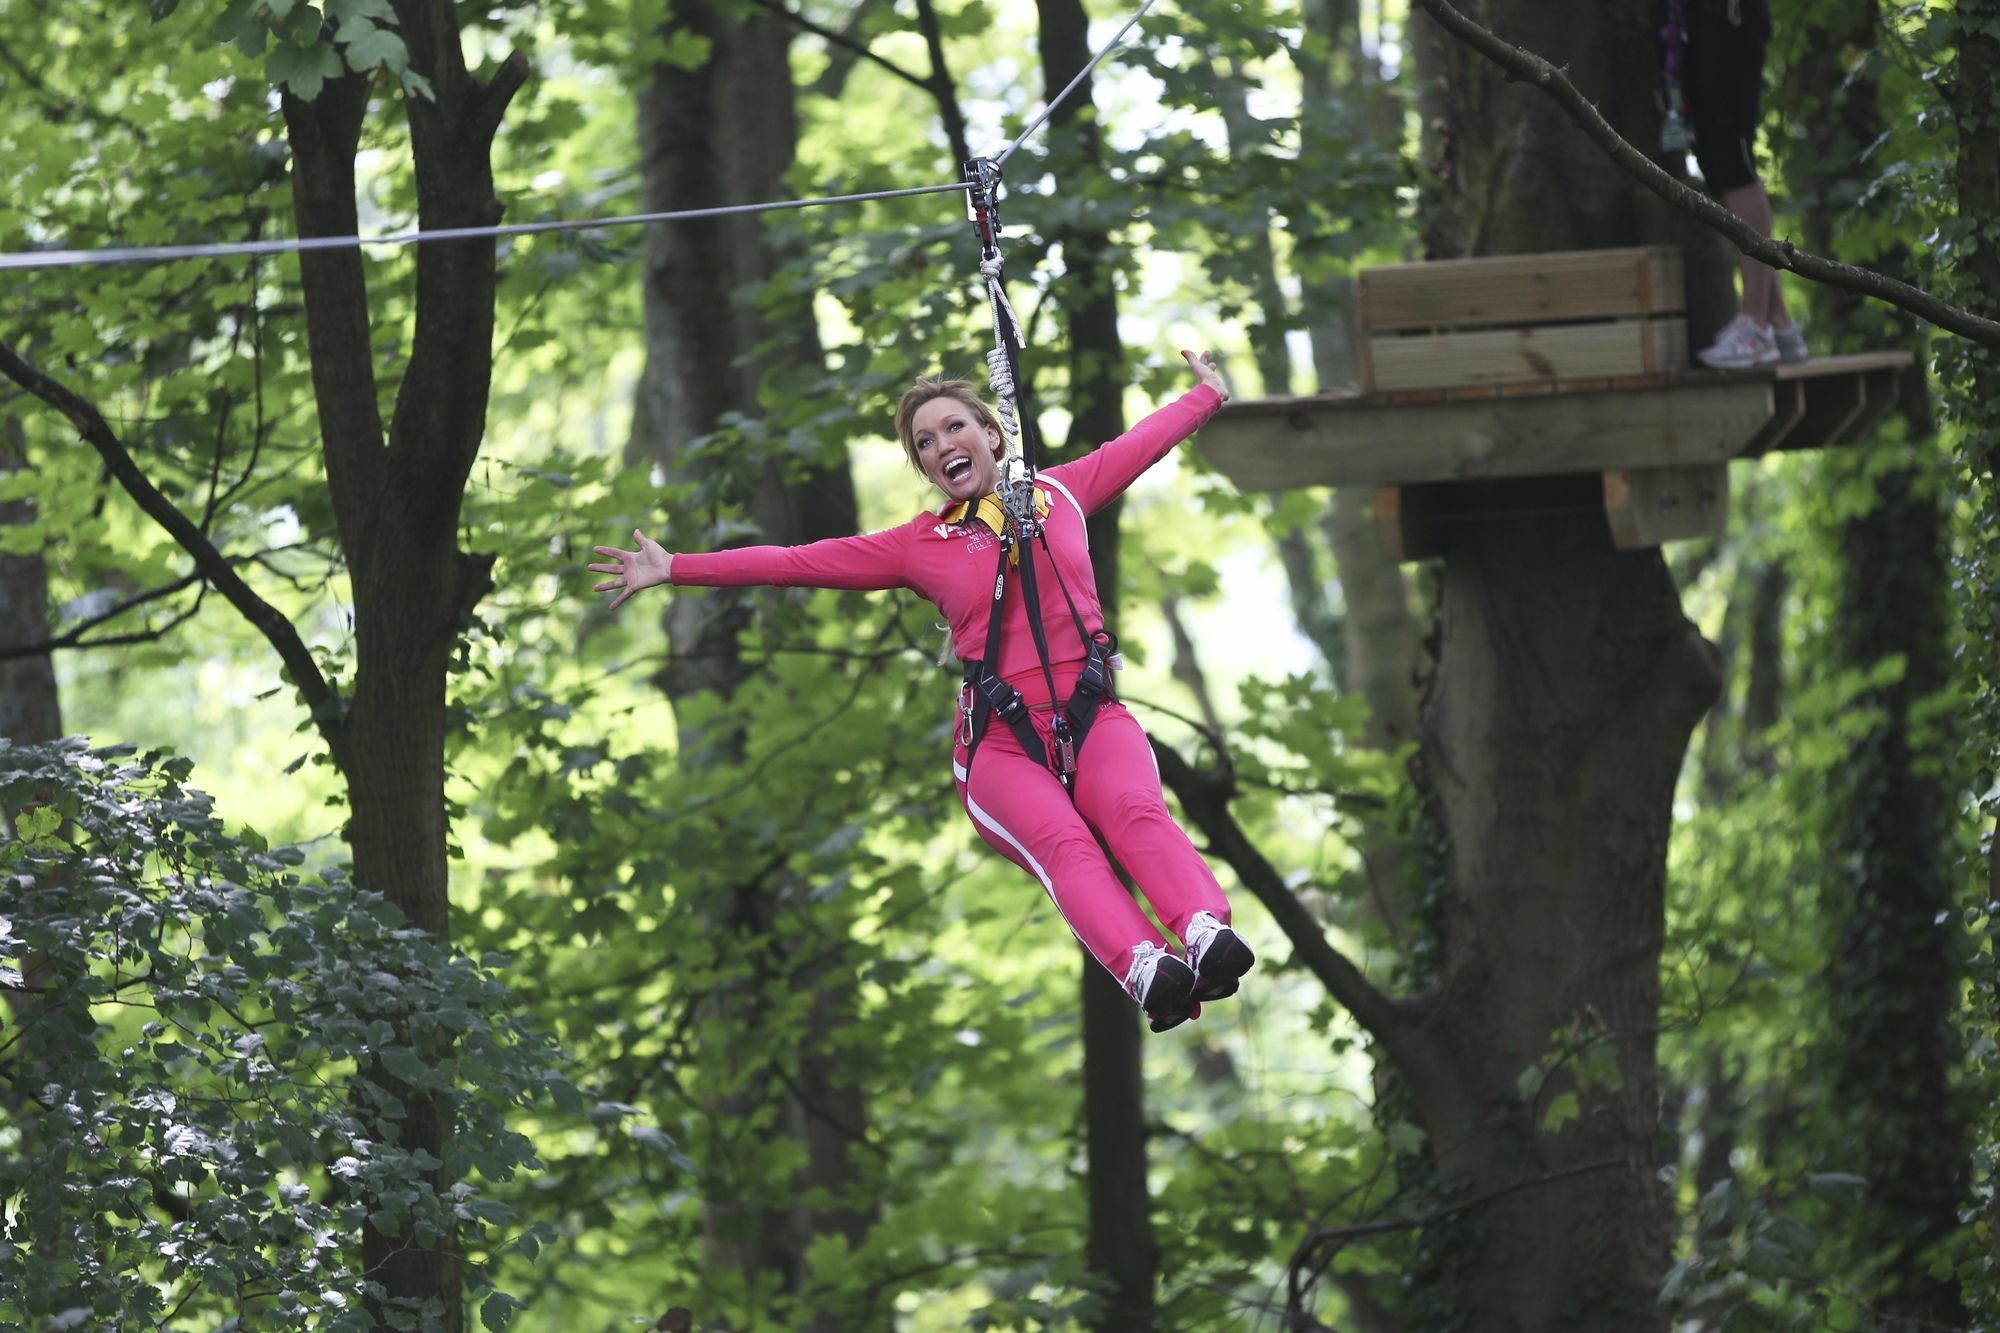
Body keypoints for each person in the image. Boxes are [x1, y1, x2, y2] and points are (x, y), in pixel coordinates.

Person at [588, 350, 1256, 1033]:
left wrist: (1206, 394)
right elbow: (795, 561)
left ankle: (1202, 930)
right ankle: (1145, 964)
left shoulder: (1061, 496)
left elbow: (1141, 442)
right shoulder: (921, 544)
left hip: (1091, 715)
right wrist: (676, 568)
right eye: (924, 444)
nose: (941, 446)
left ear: (992, 434)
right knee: (1067, 846)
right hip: (1002, 747)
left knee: (1134, 808)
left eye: (952, 428)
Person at [1669, 0, 1808, 369]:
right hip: (1700, 22)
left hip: (1729, 18)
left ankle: (1756, 327)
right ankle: (1780, 325)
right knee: (1717, 169)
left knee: (1735, 165)